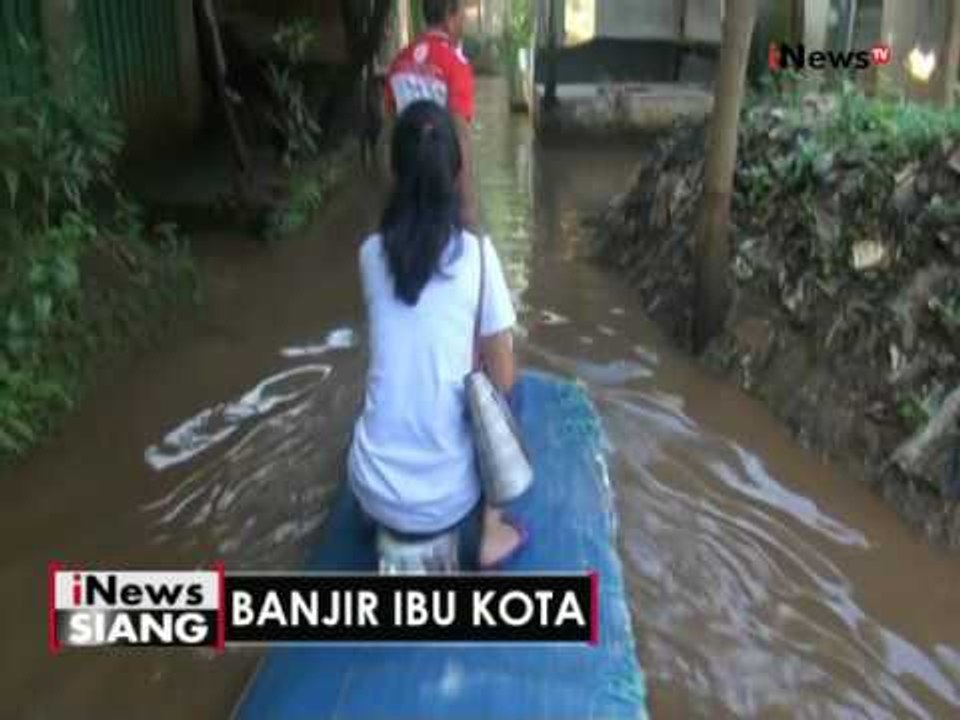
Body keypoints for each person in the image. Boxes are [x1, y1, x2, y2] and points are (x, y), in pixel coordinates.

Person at [348, 100, 526, 569]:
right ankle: (490, 533)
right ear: (458, 172)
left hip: (370, 486)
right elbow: (504, 378)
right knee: (509, 396)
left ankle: (378, 511)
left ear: (393, 171)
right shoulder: (479, 257)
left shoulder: (369, 255)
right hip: (449, 501)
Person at [384, 0, 479, 230]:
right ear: (449, 16)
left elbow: (392, 132)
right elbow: (461, 135)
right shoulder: (456, 64)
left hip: (406, 182)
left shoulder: (398, 61)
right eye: (462, 13)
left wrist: (393, 191)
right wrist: (467, 204)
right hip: (441, 183)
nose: (464, 20)